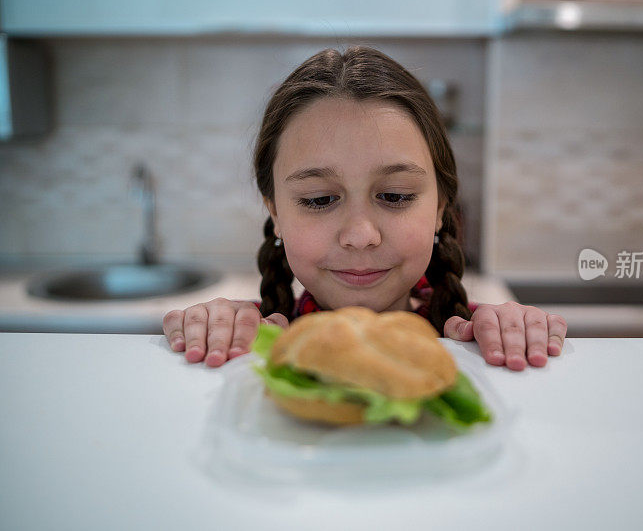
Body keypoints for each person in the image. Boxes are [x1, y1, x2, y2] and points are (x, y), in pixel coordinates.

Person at [162, 46, 567, 371]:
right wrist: (211, 327)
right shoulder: (250, 335)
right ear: (275, 211)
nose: (360, 235)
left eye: (395, 196)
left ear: (441, 207)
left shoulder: (477, 336)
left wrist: (517, 330)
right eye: (319, 200)